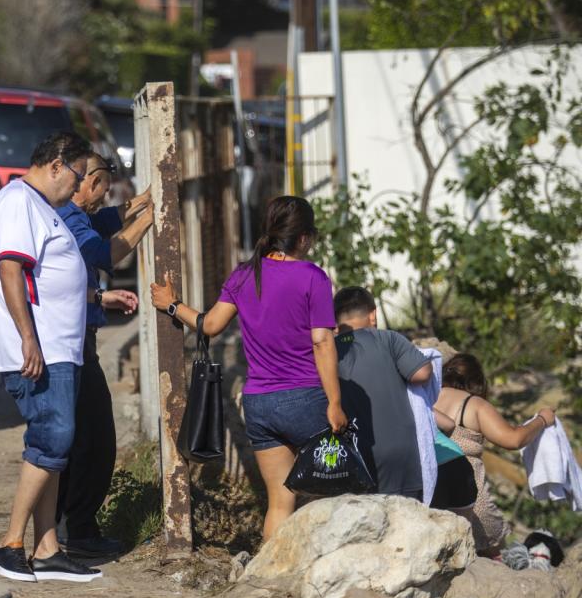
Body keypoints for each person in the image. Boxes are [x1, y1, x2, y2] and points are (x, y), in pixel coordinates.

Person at [151, 195, 346, 540]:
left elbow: (209, 325)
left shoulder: (245, 274)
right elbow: (322, 341)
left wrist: (172, 305)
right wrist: (334, 402)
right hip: (306, 401)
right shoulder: (313, 277)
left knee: (279, 503)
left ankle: (272, 581)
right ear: (304, 238)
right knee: (328, 494)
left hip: (259, 404)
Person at [0, 131, 102, 583]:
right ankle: (9, 543)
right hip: (39, 349)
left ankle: (47, 548)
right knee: (54, 437)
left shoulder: (40, 206)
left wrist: (98, 298)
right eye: (77, 175)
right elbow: (11, 270)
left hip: (56, 347)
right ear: (55, 164)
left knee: (56, 444)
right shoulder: (18, 203)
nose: (79, 187)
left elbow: (50, 276)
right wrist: (27, 339)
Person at [55, 153, 154, 557]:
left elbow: (105, 221)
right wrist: (151, 218)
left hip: (76, 337)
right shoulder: (71, 217)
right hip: (75, 343)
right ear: (90, 182)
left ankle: (68, 527)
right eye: (103, 191)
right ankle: (78, 531)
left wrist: (141, 201)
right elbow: (103, 253)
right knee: (94, 441)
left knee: (80, 437)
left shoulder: (68, 213)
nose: (103, 199)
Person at [434, 353, 556, 556]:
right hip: (469, 498)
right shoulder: (473, 404)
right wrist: (542, 420)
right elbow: (513, 439)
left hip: (430, 489)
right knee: (493, 561)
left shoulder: (425, 397)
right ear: (477, 382)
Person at [333, 286, 433, 500]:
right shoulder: (388, 339)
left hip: (352, 454)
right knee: (404, 521)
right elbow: (422, 373)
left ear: (335, 323)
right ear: (373, 315)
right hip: (400, 452)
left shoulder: (328, 351)